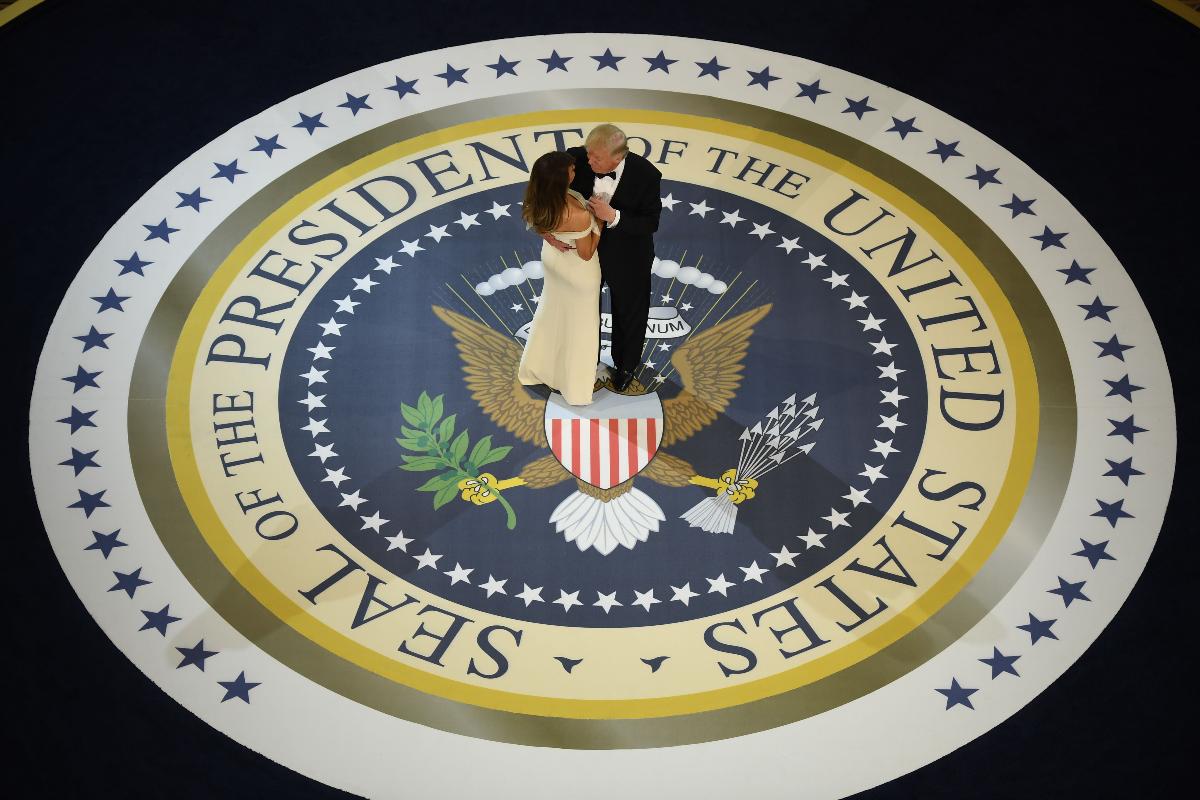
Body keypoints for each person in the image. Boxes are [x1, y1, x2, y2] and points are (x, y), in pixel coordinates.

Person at [539, 124, 662, 393]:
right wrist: (544, 230)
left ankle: (626, 366)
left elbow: (650, 223)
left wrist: (614, 217)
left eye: (596, 158)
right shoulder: (576, 159)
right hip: (581, 257)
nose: (588, 161)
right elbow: (541, 187)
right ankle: (580, 363)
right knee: (579, 311)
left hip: (629, 257)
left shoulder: (647, 175)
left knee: (630, 313)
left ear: (618, 158)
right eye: (588, 154)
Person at [517, 150, 602, 406]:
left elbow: (536, 222)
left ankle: (538, 368)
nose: (575, 172)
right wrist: (599, 222)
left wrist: (551, 237)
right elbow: (586, 253)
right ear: (560, 178)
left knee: (551, 314)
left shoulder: (538, 196)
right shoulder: (577, 214)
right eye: (571, 170)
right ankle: (576, 389)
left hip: (553, 262)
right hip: (580, 274)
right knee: (581, 330)